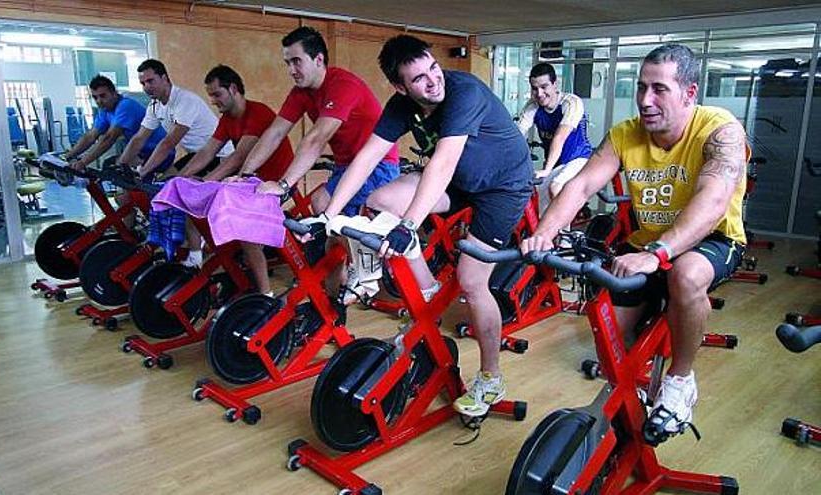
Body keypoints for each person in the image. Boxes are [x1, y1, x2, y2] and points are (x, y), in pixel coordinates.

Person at [521, 44, 748, 442]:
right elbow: (582, 185)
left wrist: (658, 253)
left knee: (686, 274)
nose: (645, 100)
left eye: (659, 89)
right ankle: (631, 391)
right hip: (646, 245)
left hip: (712, 240)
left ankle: (680, 382)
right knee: (608, 331)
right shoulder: (625, 134)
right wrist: (544, 232)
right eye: (641, 87)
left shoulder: (719, 129)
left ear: (689, 93)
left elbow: (713, 201)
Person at [309, 34, 533, 417]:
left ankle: (491, 377)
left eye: (433, 68)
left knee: (472, 280)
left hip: (503, 187)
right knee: (380, 201)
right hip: (460, 183)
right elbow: (366, 158)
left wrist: (409, 224)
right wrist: (328, 215)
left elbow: (443, 161)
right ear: (400, 87)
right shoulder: (400, 107)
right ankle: (428, 291)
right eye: (419, 79)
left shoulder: (464, 92)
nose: (433, 81)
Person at [238, 26, 399, 293]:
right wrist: (245, 173)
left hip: (378, 164)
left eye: (296, 61)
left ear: (319, 60)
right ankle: (334, 298)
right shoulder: (300, 93)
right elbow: (275, 132)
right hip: (346, 167)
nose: (291, 70)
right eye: (287, 63)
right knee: (328, 230)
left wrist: (284, 185)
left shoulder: (343, 84)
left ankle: (366, 266)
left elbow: (316, 138)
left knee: (323, 206)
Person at [178, 64, 294, 295]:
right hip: (247, 182)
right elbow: (207, 152)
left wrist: (207, 182)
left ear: (233, 89)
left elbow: (240, 156)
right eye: (210, 95)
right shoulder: (227, 118)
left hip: (276, 185)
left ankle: (265, 295)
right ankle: (195, 259)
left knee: (246, 232)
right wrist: (182, 179)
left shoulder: (258, 113)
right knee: (192, 202)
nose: (213, 100)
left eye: (216, 94)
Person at [119, 59, 234, 267]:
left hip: (219, 155)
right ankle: (176, 241)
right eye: (143, 83)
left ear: (165, 78)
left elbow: (168, 142)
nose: (147, 87)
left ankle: (196, 255)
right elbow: (139, 138)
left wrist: (142, 171)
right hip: (197, 155)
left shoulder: (184, 101)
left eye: (151, 81)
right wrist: (122, 164)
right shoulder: (155, 107)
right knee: (165, 186)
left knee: (180, 192)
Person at [516, 63, 593, 204]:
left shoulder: (571, 103)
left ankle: (563, 227)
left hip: (579, 160)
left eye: (544, 87)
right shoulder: (532, 106)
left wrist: (546, 170)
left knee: (555, 186)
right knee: (536, 201)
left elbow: (560, 137)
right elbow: (516, 136)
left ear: (555, 84)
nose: (539, 94)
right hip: (556, 164)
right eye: (534, 88)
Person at [63, 75, 171, 172]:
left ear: (114, 93)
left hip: (160, 154)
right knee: (111, 167)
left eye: (103, 96)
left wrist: (82, 163)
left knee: (114, 168)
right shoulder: (105, 110)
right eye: (95, 97)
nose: (99, 101)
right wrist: (67, 157)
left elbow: (109, 138)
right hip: (141, 153)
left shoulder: (126, 106)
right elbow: (90, 136)